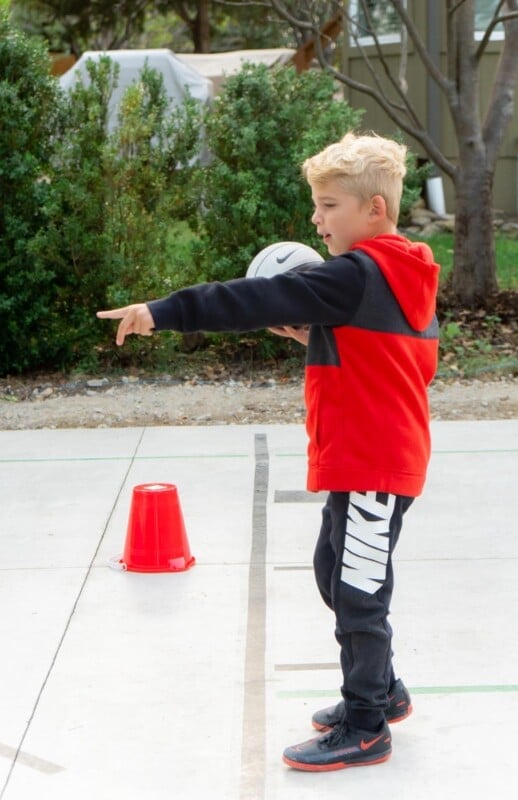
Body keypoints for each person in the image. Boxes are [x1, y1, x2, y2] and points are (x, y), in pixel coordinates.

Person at [97, 132, 440, 771]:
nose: (316, 219)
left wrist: (160, 311)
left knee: (359, 591)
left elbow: (250, 297)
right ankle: (383, 690)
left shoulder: (353, 276)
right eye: (315, 205)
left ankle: (367, 724)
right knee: (332, 568)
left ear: (375, 211)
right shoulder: (400, 274)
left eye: (329, 205)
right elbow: (397, 359)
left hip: (375, 462)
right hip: (371, 457)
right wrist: (320, 335)